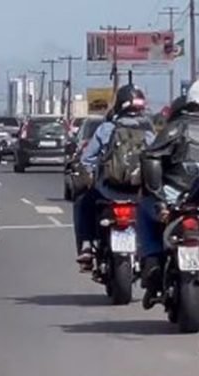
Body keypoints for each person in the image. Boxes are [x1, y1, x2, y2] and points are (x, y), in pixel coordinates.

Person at [139, 78, 199, 308]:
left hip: (174, 197)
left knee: (144, 210)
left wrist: (157, 195)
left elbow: (150, 157)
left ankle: (152, 258)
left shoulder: (175, 127)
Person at [75, 84, 156, 267]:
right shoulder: (149, 131)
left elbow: (87, 159)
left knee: (82, 201)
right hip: (140, 195)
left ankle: (86, 247)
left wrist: (90, 173)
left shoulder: (106, 129)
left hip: (107, 192)